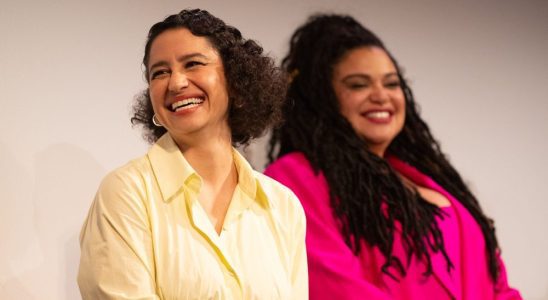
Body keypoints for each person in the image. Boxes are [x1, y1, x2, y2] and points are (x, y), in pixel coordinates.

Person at [265, 13, 521, 299]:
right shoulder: (294, 176)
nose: (381, 96)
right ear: (321, 97)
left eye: (391, 84)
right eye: (358, 85)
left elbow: (499, 286)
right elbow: (335, 287)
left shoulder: (433, 180)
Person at [78, 9, 307, 299]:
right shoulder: (126, 192)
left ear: (237, 83)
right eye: (159, 73)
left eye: (193, 64)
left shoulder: (282, 204)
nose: (175, 83)